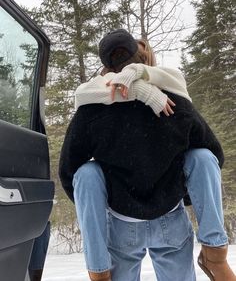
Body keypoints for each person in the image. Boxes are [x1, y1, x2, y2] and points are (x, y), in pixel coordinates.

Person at [59, 29, 235, 281]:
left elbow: (68, 173)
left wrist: (110, 201)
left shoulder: (91, 110)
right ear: (142, 59)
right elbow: (213, 154)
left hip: (122, 224)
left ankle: (99, 272)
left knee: (86, 174)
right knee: (203, 156)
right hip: (169, 216)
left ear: (105, 69)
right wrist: (179, 192)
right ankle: (214, 254)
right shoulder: (173, 99)